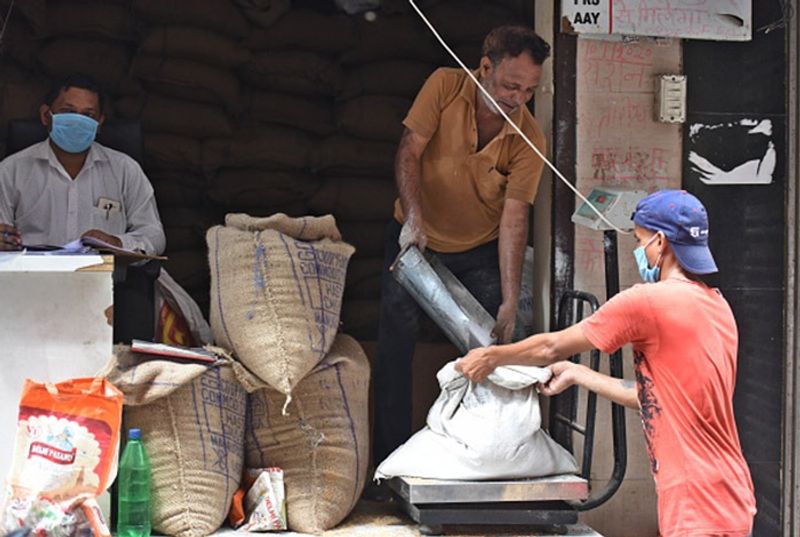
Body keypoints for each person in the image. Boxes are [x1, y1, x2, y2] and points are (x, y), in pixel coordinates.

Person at [457, 190, 756, 537]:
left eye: (640, 240)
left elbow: (552, 346)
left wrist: (492, 356)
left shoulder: (647, 302)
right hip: (733, 496)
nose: (639, 251)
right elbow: (657, 398)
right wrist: (579, 373)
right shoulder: (718, 308)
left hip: (695, 505)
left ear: (660, 242)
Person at [372, 25, 550, 465]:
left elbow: (514, 217)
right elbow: (409, 150)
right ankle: (391, 460)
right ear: (484, 67)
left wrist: (510, 300)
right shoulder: (445, 86)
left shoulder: (529, 139)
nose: (518, 98)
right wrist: (414, 217)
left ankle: (480, 460)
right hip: (415, 241)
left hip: (479, 252)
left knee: (492, 352)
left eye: (530, 90)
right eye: (511, 85)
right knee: (396, 344)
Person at [0, 73, 165, 255]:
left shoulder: (125, 170)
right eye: (68, 112)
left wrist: (118, 242)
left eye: (88, 115)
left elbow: (154, 235)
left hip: (106, 280)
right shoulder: (11, 171)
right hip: (32, 279)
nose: (78, 121)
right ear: (46, 115)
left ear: (99, 122)